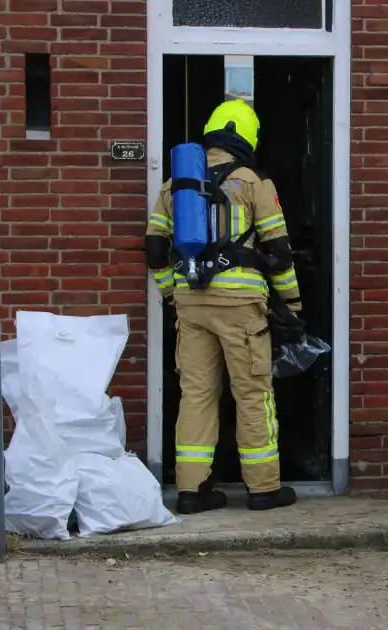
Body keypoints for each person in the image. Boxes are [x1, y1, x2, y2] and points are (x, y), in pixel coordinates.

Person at [144, 99, 301, 514]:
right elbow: (279, 251)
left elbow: (156, 247)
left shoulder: (175, 184)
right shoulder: (253, 182)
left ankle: (192, 492)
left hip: (191, 303)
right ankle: (264, 488)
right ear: (248, 139)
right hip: (241, 305)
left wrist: (169, 294)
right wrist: (292, 304)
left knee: (196, 394)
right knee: (252, 392)